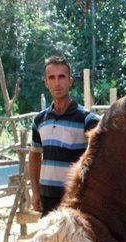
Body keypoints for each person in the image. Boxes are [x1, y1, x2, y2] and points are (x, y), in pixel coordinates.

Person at [29, 56, 99, 216]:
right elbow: (34, 157)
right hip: (47, 198)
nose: (57, 82)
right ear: (46, 83)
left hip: (74, 199)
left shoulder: (88, 119)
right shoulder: (40, 120)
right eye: (51, 77)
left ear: (70, 81)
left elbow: (99, 160)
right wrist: (35, 191)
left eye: (62, 76)